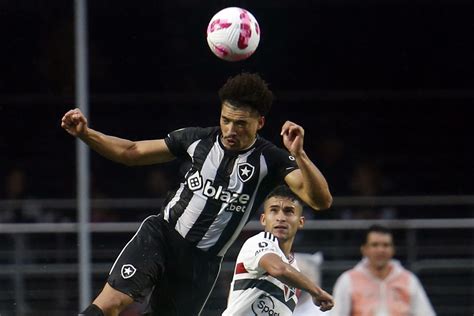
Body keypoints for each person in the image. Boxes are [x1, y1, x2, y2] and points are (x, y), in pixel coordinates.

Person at [61, 72, 332, 316]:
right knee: (111, 304)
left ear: (259, 122)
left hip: (201, 266)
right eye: (226, 120)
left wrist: (299, 154)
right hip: (163, 237)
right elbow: (131, 152)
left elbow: (321, 201)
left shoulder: (271, 160)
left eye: (240, 124)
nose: (230, 130)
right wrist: (86, 133)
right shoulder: (197, 139)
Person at [223, 185, 334, 315]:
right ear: (263, 219)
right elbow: (279, 269)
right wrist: (317, 292)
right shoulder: (257, 242)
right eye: (274, 210)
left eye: (288, 211)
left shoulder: (295, 271)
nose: (280, 218)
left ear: (301, 222)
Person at [331, 224, 436, 316]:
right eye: (375, 245)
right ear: (364, 249)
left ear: (393, 249)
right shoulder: (348, 280)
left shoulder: (408, 280)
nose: (380, 250)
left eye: (386, 245)